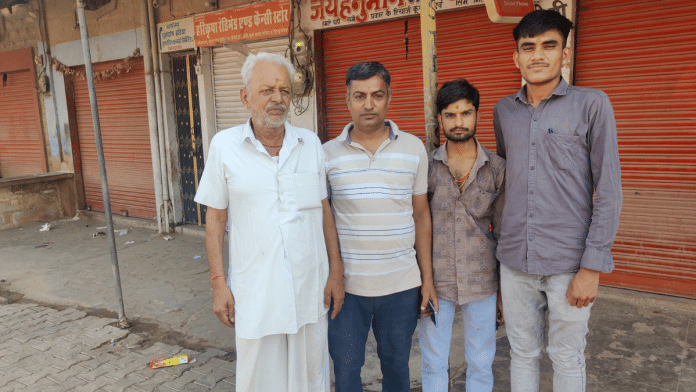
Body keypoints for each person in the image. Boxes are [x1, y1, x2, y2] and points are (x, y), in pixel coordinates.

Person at [193, 52, 344, 392]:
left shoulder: (309, 145)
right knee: (259, 383)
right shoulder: (224, 147)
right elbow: (215, 219)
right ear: (245, 97)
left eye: (285, 90)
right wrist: (218, 283)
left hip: (310, 291)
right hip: (256, 294)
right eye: (267, 90)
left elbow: (324, 211)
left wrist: (336, 271)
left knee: (312, 380)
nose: (278, 98)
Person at [493, 10, 622, 392]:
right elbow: (507, 183)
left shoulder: (592, 105)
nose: (537, 55)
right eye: (528, 47)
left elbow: (610, 191)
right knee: (522, 354)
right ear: (515, 56)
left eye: (549, 46)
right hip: (515, 262)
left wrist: (592, 267)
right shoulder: (504, 111)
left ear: (564, 54)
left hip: (570, 263)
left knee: (566, 356)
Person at [323, 61, 438, 392]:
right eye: (359, 96)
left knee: (397, 370)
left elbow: (421, 215)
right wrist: (333, 275)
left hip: (400, 287)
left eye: (376, 95)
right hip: (347, 289)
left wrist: (427, 280)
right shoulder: (326, 154)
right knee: (345, 374)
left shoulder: (413, 148)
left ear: (389, 98)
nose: (368, 104)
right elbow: (323, 216)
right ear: (347, 100)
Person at [419, 79, 505, 392]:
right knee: (433, 361)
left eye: (466, 113)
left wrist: (503, 292)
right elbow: (418, 224)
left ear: (476, 115)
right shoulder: (427, 167)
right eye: (451, 115)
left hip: (482, 281)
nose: (459, 122)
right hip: (436, 283)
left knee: (481, 362)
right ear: (439, 118)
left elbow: (504, 233)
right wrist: (423, 280)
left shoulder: (496, 168)